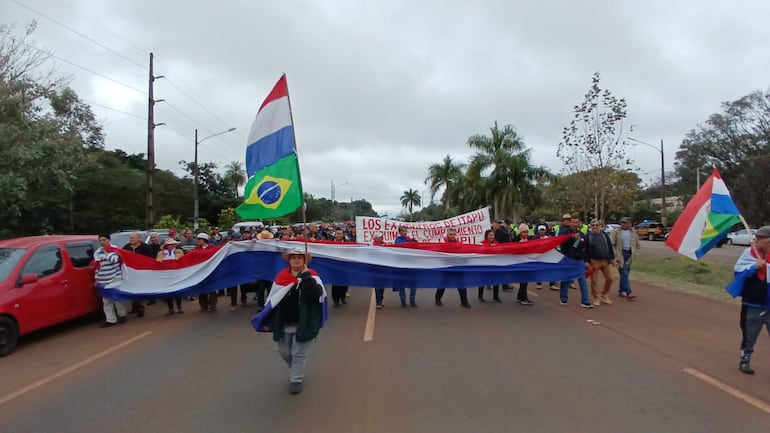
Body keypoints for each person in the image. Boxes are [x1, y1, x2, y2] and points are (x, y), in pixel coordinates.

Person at [255, 247, 326, 394]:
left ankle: (296, 379)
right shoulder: (281, 277)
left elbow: (316, 295)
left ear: (304, 261)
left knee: (299, 353)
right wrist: (268, 319)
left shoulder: (312, 277)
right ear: (289, 260)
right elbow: (272, 301)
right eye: (293, 257)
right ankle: (296, 369)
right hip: (284, 321)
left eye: (299, 257)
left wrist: (306, 277)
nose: (296, 260)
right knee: (283, 351)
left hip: (304, 322)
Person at [729, 226, 770, 375]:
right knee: (749, 335)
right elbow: (738, 271)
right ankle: (745, 360)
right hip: (753, 304)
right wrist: (753, 268)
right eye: (756, 237)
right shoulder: (749, 253)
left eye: (759, 238)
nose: (755, 240)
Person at [557, 216, 593, 308]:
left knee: (582, 281)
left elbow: (585, 249)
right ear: (570, 223)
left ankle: (585, 301)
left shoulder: (581, 234)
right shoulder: (564, 232)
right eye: (573, 222)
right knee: (566, 280)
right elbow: (561, 243)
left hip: (579, 261)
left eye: (577, 222)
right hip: (567, 260)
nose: (575, 224)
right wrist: (571, 237)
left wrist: (586, 261)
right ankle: (563, 299)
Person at [95, 234, 127, 328]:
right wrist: (97, 277)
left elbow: (115, 260)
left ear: (109, 240)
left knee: (116, 298)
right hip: (103, 279)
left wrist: (106, 254)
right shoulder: (98, 252)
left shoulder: (115, 249)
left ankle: (122, 315)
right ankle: (110, 319)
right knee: (106, 301)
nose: (102, 242)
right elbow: (97, 265)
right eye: (100, 240)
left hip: (114, 277)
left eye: (104, 240)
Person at [435, 228, 471, 308]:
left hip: (457, 267)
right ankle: (437, 299)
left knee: (461, 284)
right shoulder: (443, 243)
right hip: (447, 267)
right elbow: (439, 255)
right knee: (443, 283)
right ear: (447, 235)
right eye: (451, 234)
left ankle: (464, 301)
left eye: (454, 234)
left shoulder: (459, 243)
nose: (453, 236)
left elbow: (463, 253)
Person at [585, 219, 615, 306]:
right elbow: (585, 250)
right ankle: (596, 297)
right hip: (594, 261)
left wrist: (612, 258)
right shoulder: (588, 236)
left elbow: (609, 246)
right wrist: (587, 261)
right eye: (593, 225)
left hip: (605, 260)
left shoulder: (604, 235)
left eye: (596, 225)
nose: (595, 227)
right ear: (590, 227)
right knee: (594, 280)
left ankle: (604, 294)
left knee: (610, 278)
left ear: (600, 226)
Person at [123, 232, 152, 318]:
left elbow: (149, 259)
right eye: (130, 238)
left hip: (141, 273)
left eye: (133, 238)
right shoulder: (126, 247)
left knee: (139, 290)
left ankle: (141, 308)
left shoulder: (145, 247)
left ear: (139, 239)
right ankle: (134, 307)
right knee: (132, 290)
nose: (131, 239)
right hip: (131, 273)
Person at [611, 217, 640, 300]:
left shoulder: (634, 233)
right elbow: (612, 244)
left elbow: (637, 244)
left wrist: (636, 252)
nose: (623, 224)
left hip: (629, 254)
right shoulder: (616, 232)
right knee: (624, 273)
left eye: (625, 222)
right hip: (621, 254)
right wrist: (615, 255)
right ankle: (629, 292)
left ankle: (621, 289)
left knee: (626, 272)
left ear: (629, 224)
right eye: (622, 222)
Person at [157, 237, 184, 315]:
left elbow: (181, 259)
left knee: (177, 292)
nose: (172, 246)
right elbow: (158, 261)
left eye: (173, 244)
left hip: (176, 274)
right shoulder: (161, 253)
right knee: (168, 293)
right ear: (166, 246)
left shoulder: (178, 251)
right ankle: (170, 308)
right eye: (170, 244)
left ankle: (179, 306)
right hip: (166, 276)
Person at [394, 225, 418, 307]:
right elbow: (401, 246)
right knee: (402, 283)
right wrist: (410, 242)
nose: (405, 232)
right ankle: (403, 300)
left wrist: (414, 242)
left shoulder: (410, 239)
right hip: (401, 264)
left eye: (406, 231)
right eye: (403, 231)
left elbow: (417, 246)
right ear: (400, 232)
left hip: (411, 264)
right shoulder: (398, 240)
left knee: (413, 283)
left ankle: (412, 299)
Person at [194, 233, 218, 312]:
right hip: (201, 272)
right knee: (201, 288)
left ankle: (212, 305)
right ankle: (203, 305)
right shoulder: (197, 248)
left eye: (199, 240)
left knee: (211, 288)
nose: (198, 241)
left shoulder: (211, 247)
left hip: (210, 271)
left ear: (204, 240)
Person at [478, 229, 502, 302]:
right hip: (485, 265)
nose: (492, 236)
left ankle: (496, 296)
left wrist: (496, 248)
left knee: (496, 281)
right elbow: (480, 252)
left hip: (494, 265)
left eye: (493, 235)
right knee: (482, 281)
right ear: (487, 236)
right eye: (490, 235)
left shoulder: (496, 243)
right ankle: (480, 296)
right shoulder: (482, 243)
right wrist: (489, 247)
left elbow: (501, 251)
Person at [513, 224, 534, 305]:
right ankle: (524, 298)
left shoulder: (530, 240)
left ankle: (520, 297)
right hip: (519, 263)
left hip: (527, 262)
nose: (525, 234)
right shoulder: (516, 240)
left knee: (525, 281)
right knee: (524, 280)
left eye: (527, 232)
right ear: (520, 232)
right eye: (524, 232)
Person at [331, 229, 350, 307]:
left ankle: (343, 297)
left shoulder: (347, 244)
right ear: (335, 235)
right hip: (334, 266)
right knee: (335, 283)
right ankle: (335, 300)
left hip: (344, 266)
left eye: (340, 234)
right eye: (337, 233)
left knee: (344, 283)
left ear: (343, 235)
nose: (339, 235)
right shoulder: (329, 243)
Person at [372, 232, 387, 309]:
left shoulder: (384, 245)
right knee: (378, 285)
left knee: (382, 285)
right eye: (380, 237)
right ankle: (378, 302)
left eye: (382, 236)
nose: (382, 238)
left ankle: (380, 300)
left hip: (383, 268)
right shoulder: (373, 246)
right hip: (376, 268)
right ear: (375, 238)